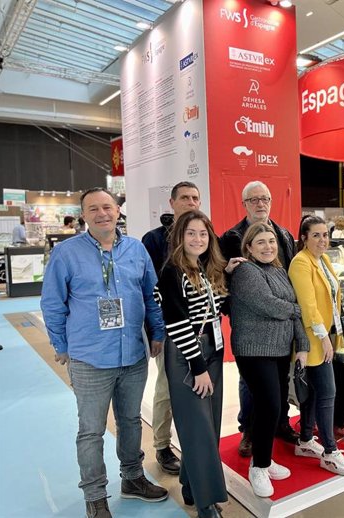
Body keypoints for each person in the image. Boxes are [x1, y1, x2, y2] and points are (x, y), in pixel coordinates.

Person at [41, 188, 168, 518]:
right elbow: (52, 303)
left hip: (133, 355)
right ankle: (95, 495)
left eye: (107, 207)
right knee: (91, 430)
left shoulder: (136, 250)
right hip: (89, 357)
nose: (102, 214)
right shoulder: (67, 254)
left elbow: (151, 295)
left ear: (117, 211)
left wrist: (157, 332)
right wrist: (61, 345)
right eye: (93, 209)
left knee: (130, 421)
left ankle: (133, 478)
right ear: (84, 215)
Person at [155, 210, 229, 517]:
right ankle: (205, 503)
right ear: (179, 237)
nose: (197, 239)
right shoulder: (173, 271)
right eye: (191, 233)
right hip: (189, 355)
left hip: (213, 349)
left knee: (208, 425)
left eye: (203, 233)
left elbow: (218, 309)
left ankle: (190, 485)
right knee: (197, 427)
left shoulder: (208, 268)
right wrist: (197, 367)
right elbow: (177, 324)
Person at [218, 180, 299, 456]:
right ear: (244, 204)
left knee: (279, 381)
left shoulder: (284, 234)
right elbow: (226, 278)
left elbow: (286, 273)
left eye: (264, 198)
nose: (260, 204)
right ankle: (249, 431)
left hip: (281, 325)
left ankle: (280, 423)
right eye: (253, 200)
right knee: (251, 383)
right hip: (253, 327)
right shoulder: (231, 237)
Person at [229, 222, 310, 497]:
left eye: (271, 241)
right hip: (254, 350)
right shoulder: (245, 272)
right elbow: (270, 306)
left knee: (274, 409)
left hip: (278, 350)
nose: (268, 247)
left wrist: (303, 343)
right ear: (249, 247)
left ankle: (264, 458)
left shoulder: (278, 270)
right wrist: (299, 309)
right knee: (269, 406)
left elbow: (292, 314)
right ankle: (259, 467)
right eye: (260, 242)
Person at [288, 215, 344, 476]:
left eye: (325, 235)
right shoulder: (300, 263)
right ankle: (330, 452)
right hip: (312, 339)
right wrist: (324, 337)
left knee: (316, 393)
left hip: (327, 333)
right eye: (315, 235)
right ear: (304, 238)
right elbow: (308, 306)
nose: (322, 240)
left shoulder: (324, 260)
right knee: (328, 391)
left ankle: (306, 439)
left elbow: (331, 297)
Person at [141, 181, 201, 475]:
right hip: (170, 329)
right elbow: (149, 290)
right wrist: (156, 332)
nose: (191, 202)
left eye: (195, 198)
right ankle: (163, 446)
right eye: (185, 198)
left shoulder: (204, 235)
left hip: (201, 328)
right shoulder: (153, 240)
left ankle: (195, 442)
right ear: (172, 202)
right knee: (167, 388)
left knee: (198, 389)